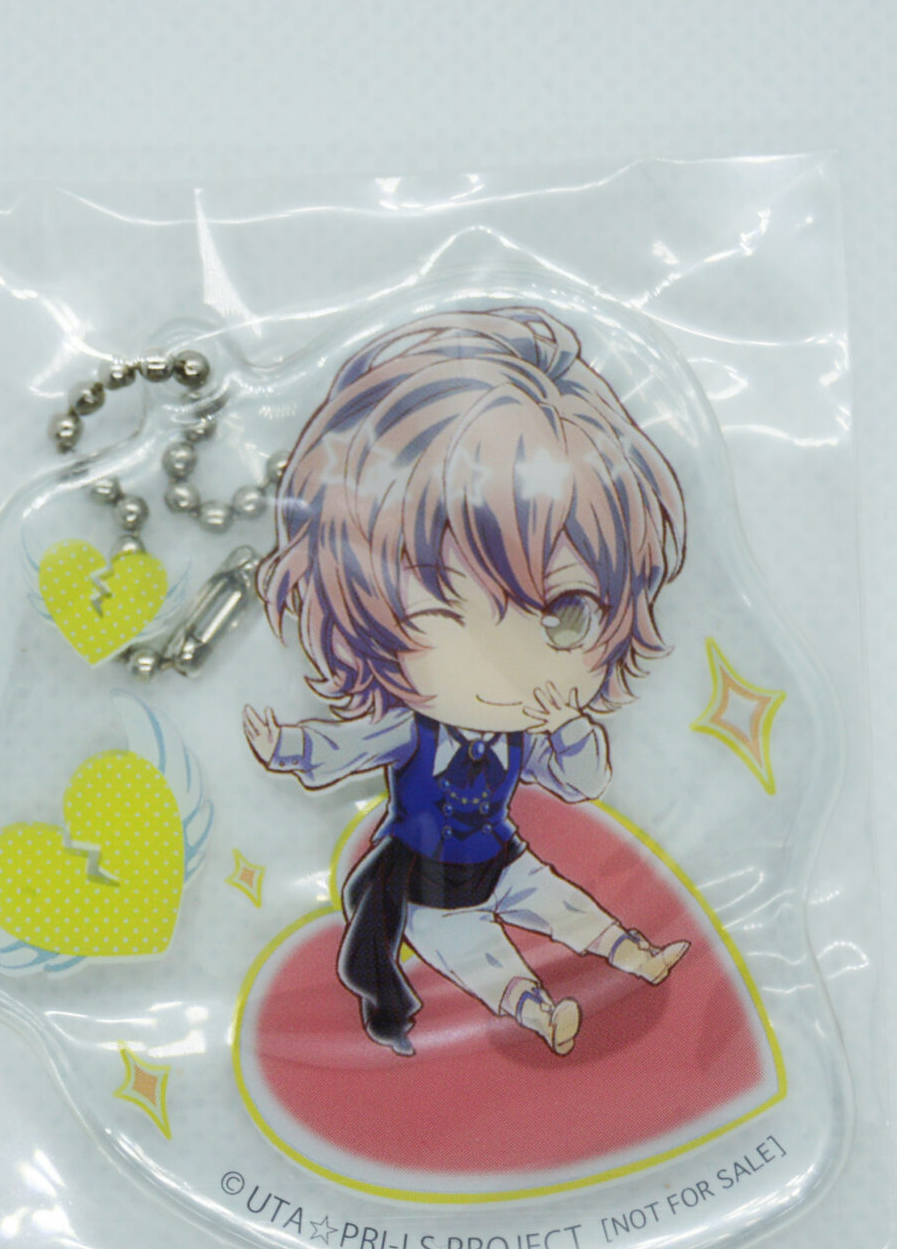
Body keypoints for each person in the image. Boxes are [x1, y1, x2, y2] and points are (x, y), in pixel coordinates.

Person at [243, 306, 692, 1057]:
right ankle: (541, 1014)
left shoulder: (527, 732)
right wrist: (286, 747)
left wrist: (569, 723)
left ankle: (632, 954)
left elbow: (580, 781)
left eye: (566, 615)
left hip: (504, 860)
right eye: (446, 609)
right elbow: (344, 748)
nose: (508, 660)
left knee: (563, 903)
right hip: (425, 884)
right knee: (477, 958)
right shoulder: (410, 728)